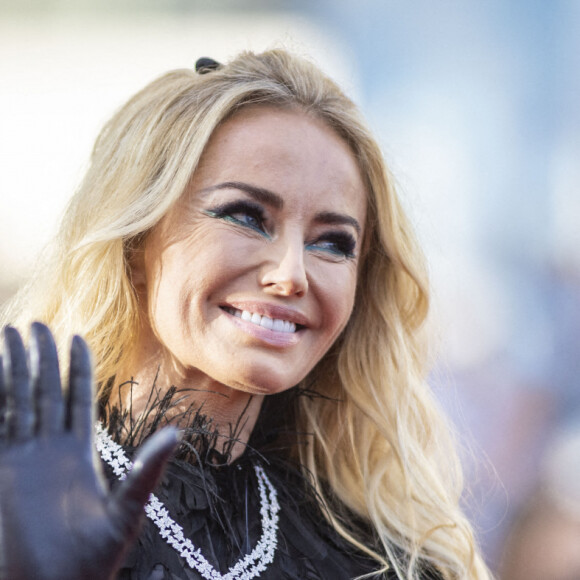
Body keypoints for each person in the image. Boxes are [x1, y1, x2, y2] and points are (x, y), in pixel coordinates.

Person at [0, 50, 491, 580]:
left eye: (332, 243)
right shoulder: (17, 497)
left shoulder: (385, 562)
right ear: (135, 241)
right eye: (246, 216)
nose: (291, 274)